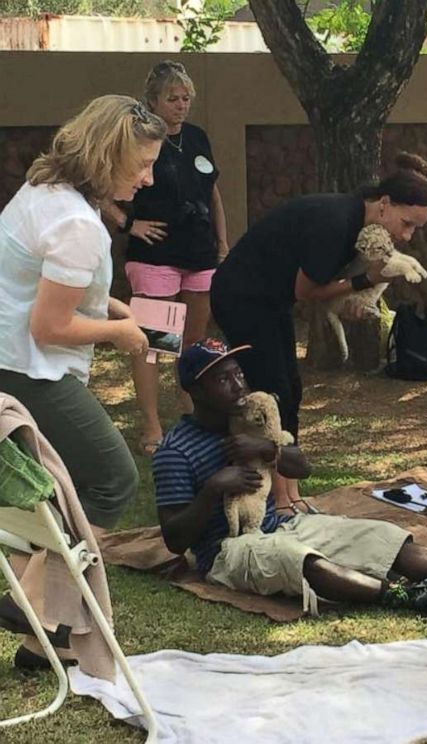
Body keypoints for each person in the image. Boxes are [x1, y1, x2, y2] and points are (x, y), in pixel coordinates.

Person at [153, 339, 427, 617]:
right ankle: (411, 598)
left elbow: (301, 468)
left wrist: (268, 451)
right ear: (195, 390)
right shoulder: (177, 450)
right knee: (300, 561)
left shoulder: (250, 421)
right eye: (222, 380)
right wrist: (212, 490)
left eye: (238, 374)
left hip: (287, 524)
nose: (238, 386)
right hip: (228, 551)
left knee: (379, 536)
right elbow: (175, 538)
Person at [0, 96, 163, 668]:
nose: (148, 178)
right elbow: (50, 325)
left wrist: (111, 306)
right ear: (104, 155)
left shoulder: (42, 193)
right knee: (112, 479)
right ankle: (33, 601)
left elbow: (33, 285)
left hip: (9, 361)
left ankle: (39, 638)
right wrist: (121, 335)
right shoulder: (77, 224)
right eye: (140, 165)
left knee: (54, 490)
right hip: (29, 370)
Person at [210, 153, 427, 514]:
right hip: (243, 297)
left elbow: (319, 287)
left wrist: (355, 296)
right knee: (274, 393)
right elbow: (307, 292)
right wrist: (367, 280)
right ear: (384, 204)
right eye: (406, 224)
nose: (406, 237)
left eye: (414, 230)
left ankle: (291, 495)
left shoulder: (354, 222)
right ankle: (277, 500)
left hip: (270, 300)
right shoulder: (335, 223)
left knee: (290, 391)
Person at [104, 61, 227, 455]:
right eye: (172, 98)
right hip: (155, 257)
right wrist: (129, 225)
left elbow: (213, 193)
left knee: (193, 341)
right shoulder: (136, 140)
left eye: (186, 97)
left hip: (200, 253)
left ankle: (190, 410)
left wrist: (221, 241)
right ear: (152, 101)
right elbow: (101, 189)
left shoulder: (197, 137)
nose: (181, 105)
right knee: (158, 343)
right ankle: (153, 427)